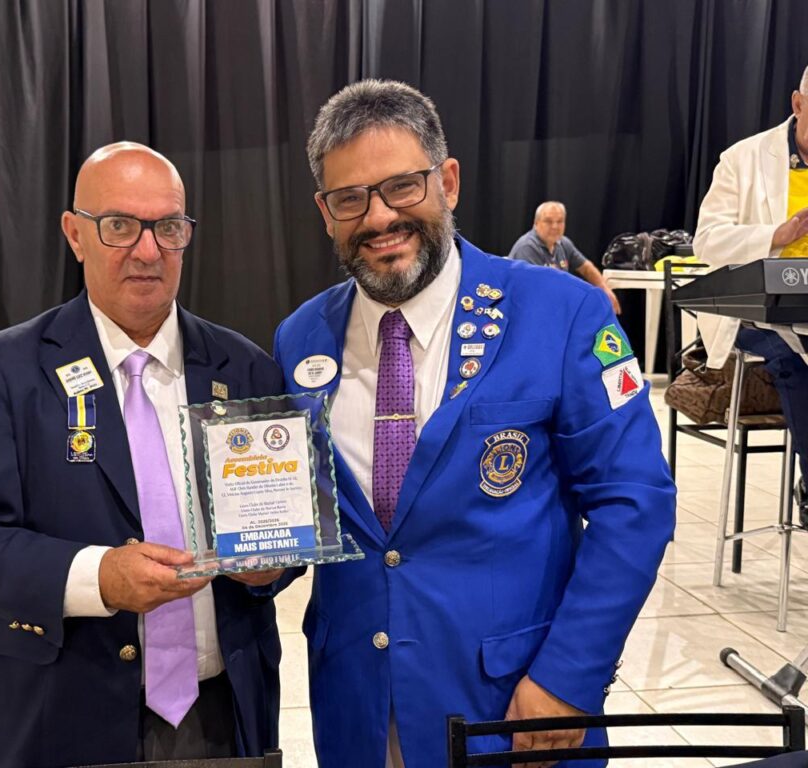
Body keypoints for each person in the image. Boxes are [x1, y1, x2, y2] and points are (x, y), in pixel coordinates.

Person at [273, 80, 675, 768]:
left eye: (402, 187)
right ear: (325, 212)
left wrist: (568, 679)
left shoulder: (562, 312)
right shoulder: (299, 338)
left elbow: (635, 503)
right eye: (350, 198)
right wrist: (257, 563)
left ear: (448, 182)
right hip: (356, 707)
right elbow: (302, 515)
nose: (379, 217)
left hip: (514, 708)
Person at [0, 143, 285, 768]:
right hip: (62, 708)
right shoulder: (8, 367)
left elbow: (283, 526)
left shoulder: (245, 367)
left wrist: (273, 566)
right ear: (75, 234)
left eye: (167, 227)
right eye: (119, 226)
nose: (147, 251)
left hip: (220, 711)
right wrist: (98, 577)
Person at [693, 64, 808, 516]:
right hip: (755, 306)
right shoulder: (743, 159)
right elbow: (707, 241)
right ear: (798, 104)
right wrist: (776, 235)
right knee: (792, 357)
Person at [508, 201, 621, 314]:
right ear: (536, 223)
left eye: (560, 221)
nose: (555, 226)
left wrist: (604, 290)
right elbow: (541, 290)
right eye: (548, 221)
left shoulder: (563, 243)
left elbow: (586, 268)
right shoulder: (527, 247)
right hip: (527, 311)